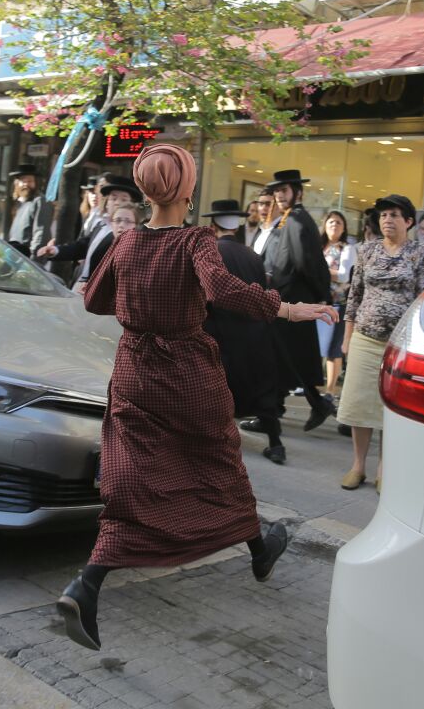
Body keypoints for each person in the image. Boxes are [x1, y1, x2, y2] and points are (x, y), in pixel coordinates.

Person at [57, 144, 337, 652]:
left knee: (133, 477)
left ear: (144, 190)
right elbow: (226, 292)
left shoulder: (127, 243)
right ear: (186, 189)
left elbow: (96, 300)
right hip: (187, 370)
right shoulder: (195, 241)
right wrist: (290, 310)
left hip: (135, 370)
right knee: (217, 462)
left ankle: (89, 583)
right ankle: (257, 548)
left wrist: (137, 286)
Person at [338, 195, 424, 491]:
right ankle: (358, 465)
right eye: (383, 216)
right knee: (358, 403)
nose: (388, 220)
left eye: (394, 215)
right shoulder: (366, 250)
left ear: (408, 221)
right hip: (365, 338)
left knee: (390, 408)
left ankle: (384, 469)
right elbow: (354, 296)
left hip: (401, 343)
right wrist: (347, 338)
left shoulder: (420, 252)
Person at [202, 199, 287, 465]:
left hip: (221, 333)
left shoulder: (210, 254)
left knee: (219, 391)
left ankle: (216, 446)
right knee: (262, 391)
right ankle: (275, 443)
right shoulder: (252, 256)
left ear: (213, 224)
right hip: (255, 334)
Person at [260, 169, 336, 433]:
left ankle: (278, 409)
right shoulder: (291, 218)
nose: (280, 196)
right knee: (287, 355)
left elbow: (306, 263)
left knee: (283, 354)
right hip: (289, 298)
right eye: (277, 191)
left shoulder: (296, 220)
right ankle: (283, 406)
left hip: (292, 301)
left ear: (298, 192)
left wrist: (318, 295)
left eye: (284, 190)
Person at [38, 175, 141, 291]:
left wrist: (96, 287)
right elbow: (82, 247)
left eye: (124, 199)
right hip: (80, 285)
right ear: (107, 202)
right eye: (114, 198)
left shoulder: (129, 234)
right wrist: (56, 251)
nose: (117, 203)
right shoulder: (100, 224)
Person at [317, 211, 357, 399]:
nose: (335, 225)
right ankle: (309, 383)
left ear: (344, 227)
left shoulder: (347, 249)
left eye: (339, 222)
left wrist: (321, 272)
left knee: (334, 349)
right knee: (315, 345)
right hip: (316, 302)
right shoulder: (318, 246)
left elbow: (344, 276)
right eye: (331, 221)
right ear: (325, 225)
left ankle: (330, 390)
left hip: (337, 303)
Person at [5, 162, 53, 257]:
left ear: (36, 183)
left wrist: (33, 260)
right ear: (17, 183)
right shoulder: (19, 203)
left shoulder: (40, 201)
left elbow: (40, 234)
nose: (26, 184)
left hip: (27, 261)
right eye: (23, 181)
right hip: (14, 257)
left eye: (30, 181)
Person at [251, 191, 275, 256]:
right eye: (261, 204)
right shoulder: (259, 231)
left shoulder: (282, 232)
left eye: (268, 204)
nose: (263, 208)